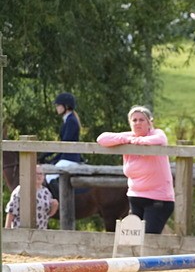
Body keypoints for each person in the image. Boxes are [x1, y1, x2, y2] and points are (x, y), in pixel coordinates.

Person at [96, 106, 175, 234]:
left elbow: (159, 140)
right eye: (134, 120)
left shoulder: (157, 134)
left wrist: (135, 141)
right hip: (135, 198)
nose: (138, 123)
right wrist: (127, 139)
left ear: (149, 122)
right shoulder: (128, 137)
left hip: (158, 199)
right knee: (133, 240)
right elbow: (102, 139)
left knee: (149, 238)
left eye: (141, 120)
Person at [41, 91, 84, 197]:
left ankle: (60, 200)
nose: (57, 107)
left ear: (66, 106)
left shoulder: (71, 121)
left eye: (58, 105)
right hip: (66, 156)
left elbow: (64, 144)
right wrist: (52, 159)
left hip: (70, 158)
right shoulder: (68, 120)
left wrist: (46, 155)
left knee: (49, 176)